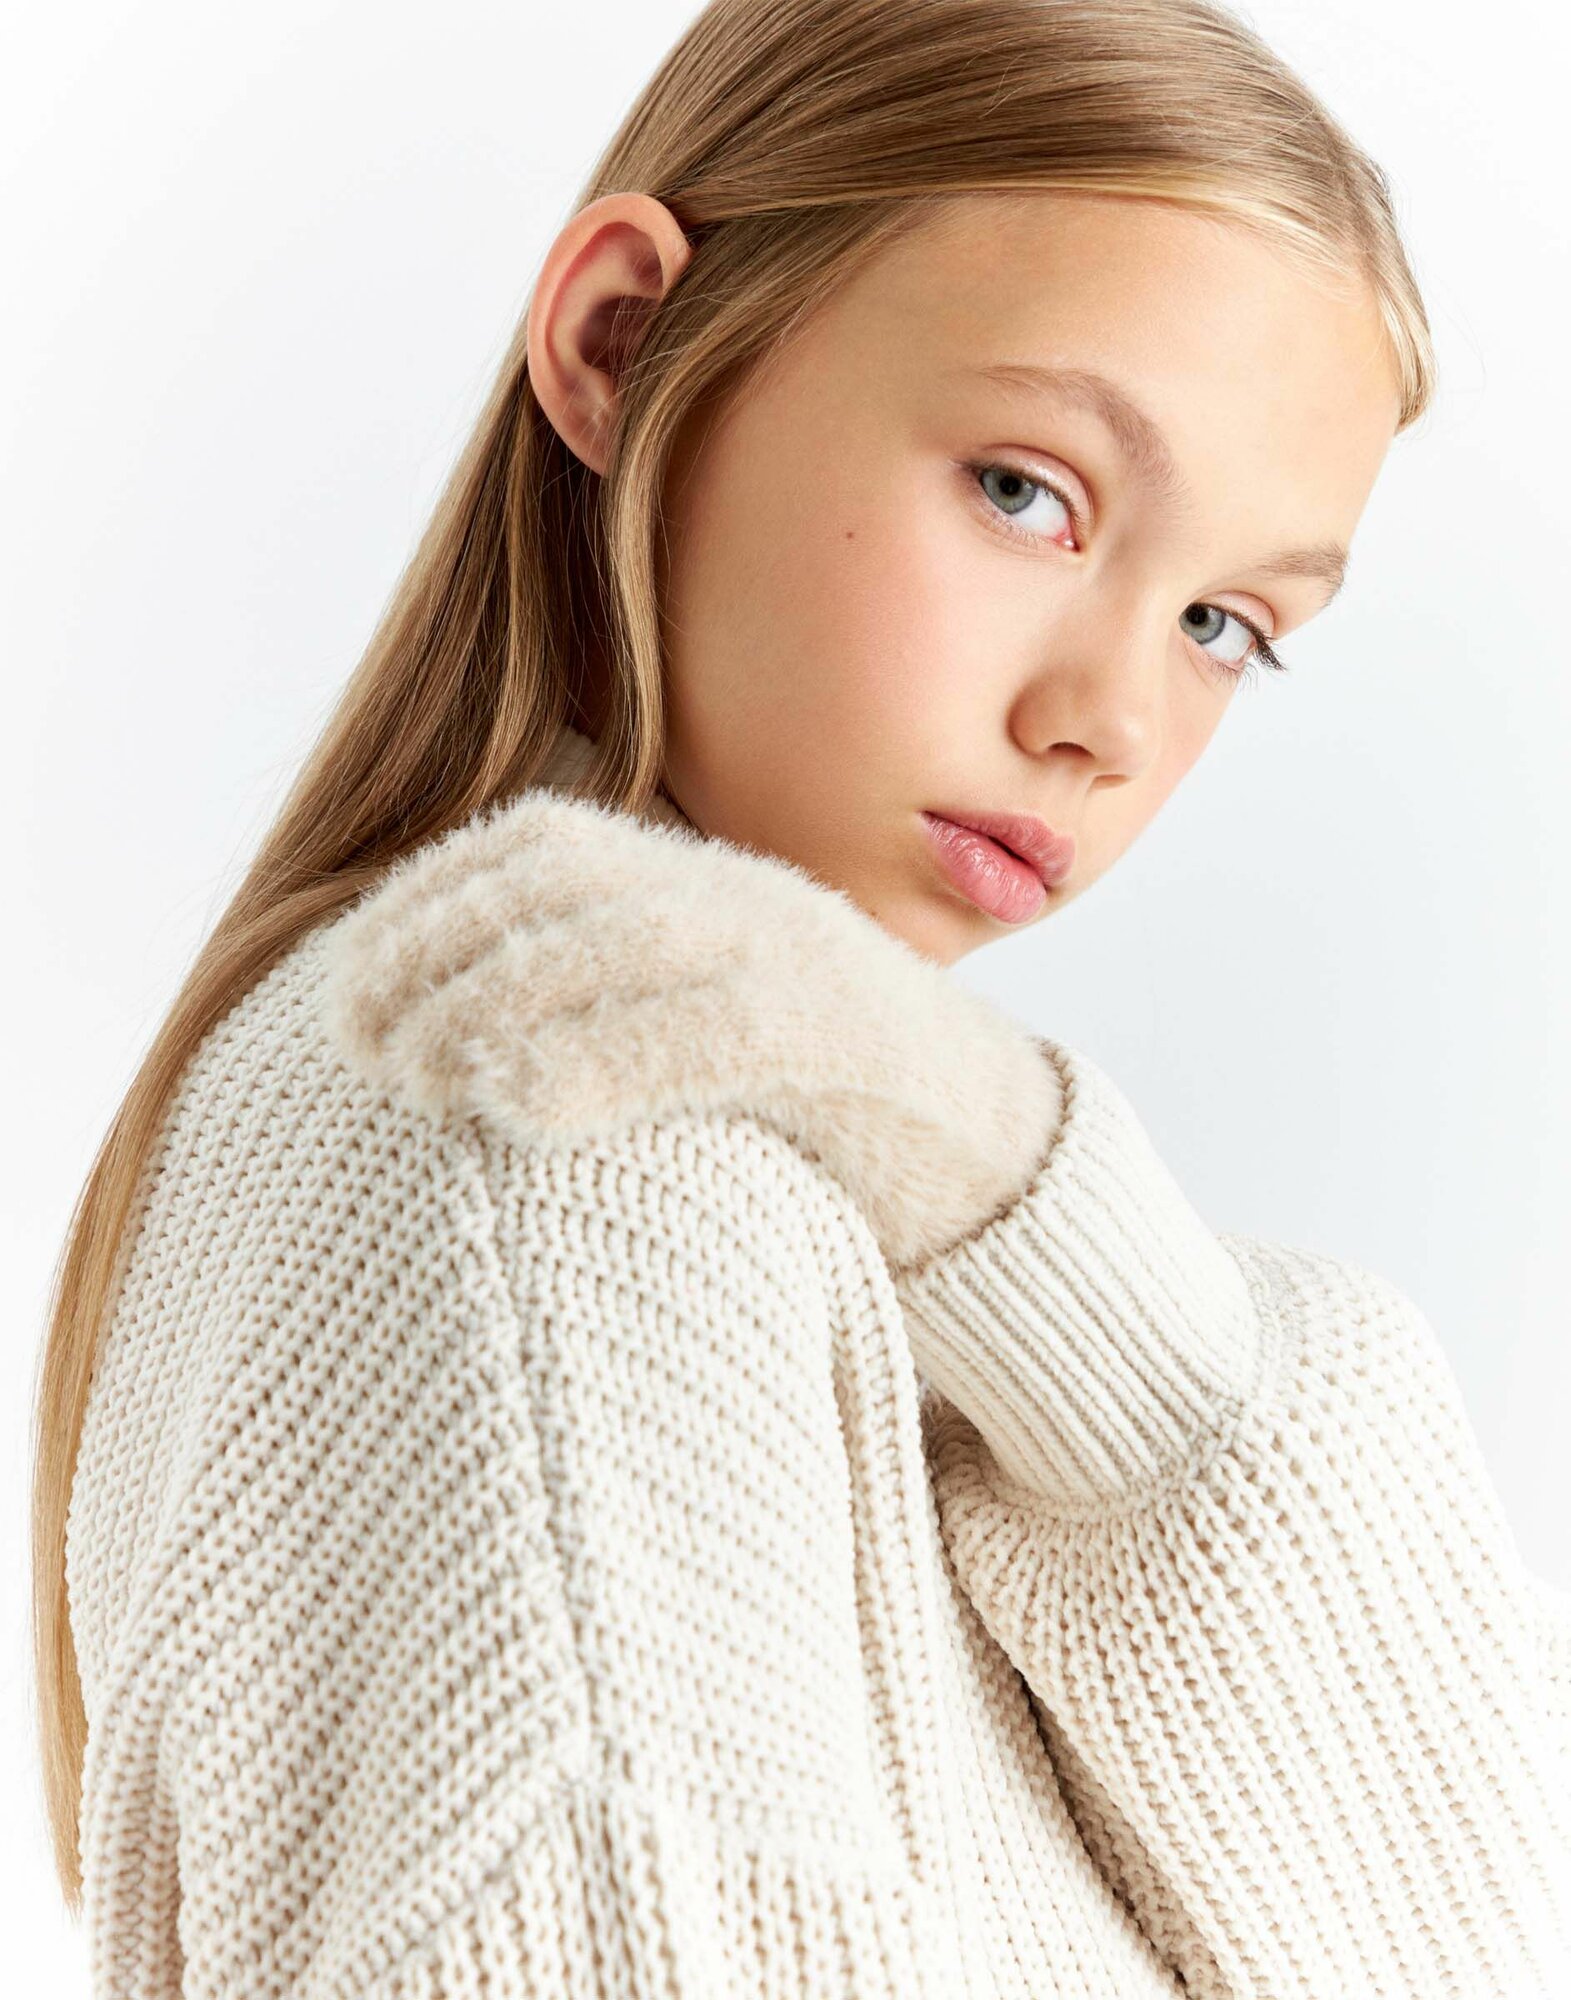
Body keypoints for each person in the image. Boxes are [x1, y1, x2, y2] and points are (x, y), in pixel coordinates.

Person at [35, 0, 1571, 1994]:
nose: (1110, 720)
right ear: (621, 343)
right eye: (1026, 491)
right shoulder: (558, 1156)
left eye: (1224, 623)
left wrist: (1012, 1191)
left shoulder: (812, 1211)